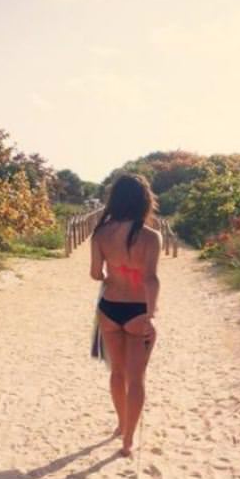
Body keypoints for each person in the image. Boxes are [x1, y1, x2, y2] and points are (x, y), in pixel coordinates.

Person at [90, 173, 161, 456]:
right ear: (144, 201)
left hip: (109, 307)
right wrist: (151, 314)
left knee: (117, 373)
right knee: (137, 377)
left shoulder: (100, 233)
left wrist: (111, 273)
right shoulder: (150, 237)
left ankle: (121, 424)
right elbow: (151, 279)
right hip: (137, 310)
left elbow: (96, 274)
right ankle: (128, 439)